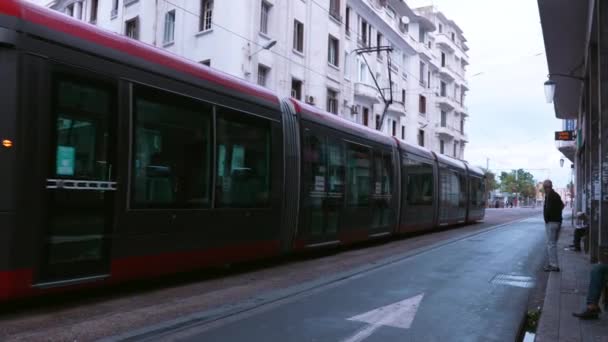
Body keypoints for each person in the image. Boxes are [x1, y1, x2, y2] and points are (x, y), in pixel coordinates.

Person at [543, 179, 564, 272]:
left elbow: (548, 209)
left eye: (545, 187)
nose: (544, 189)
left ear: (548, 187)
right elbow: (562, 205)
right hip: (557, 222)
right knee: (552, 243)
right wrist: (557, 214)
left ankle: (553, 265)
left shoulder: (550, 196)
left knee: (551, 244)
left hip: (552, 222)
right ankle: (552, 263)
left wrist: (548, 217)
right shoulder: (556, 195)